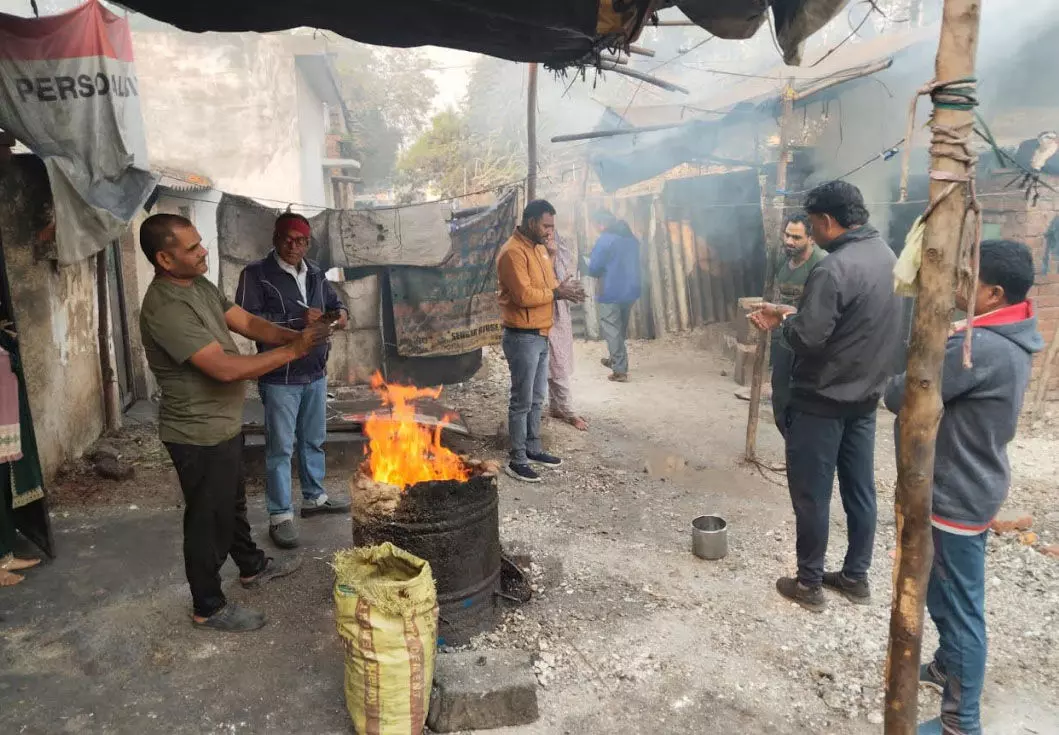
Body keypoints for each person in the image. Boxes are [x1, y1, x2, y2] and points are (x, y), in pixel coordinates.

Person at [138, 213, 329, 632]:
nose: (203, 251)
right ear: (165, 259)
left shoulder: (199, 285)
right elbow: (223, 369)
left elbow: (248, 322)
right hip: (197, 432)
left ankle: (251, 566)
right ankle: (208, 606)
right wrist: (294, 351)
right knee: (209, 519)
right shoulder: (165, 307)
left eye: (199, 242)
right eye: (192, 248)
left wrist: (296, 335)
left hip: (223, 423)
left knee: (233, 504)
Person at [884, 240, 1043, 735]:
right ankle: (947, 665)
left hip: (956, 492)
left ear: (994, 294)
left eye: (968, 280)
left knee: (960, 606)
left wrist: (896, 378)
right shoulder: (1003, 335)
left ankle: (960, 721)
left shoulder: (982, 348)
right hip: (971, 482)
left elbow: (905, 392)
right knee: (941, 588)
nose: (957, 286)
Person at [749, 181, 901, 612]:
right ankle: (855, 576)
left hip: (821, 401)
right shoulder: (888, 257)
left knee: (812, 495)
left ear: (827, 220)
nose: (812, 234)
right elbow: (851, 324)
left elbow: (810, 338)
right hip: (865, 398)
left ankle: (809, 583)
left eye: (813, 225)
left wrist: (782, 324)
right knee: (860, 490)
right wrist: (793, 313)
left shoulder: (833, 268)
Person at [235, 213, 351, 549]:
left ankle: (314, 497)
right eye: (287, 239)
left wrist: (337, 317)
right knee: (280, 448)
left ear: (308, 243)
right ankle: (280, 514)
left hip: (315, 371)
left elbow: (337, 306)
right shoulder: (256, 274)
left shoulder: (314, 272)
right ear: (275, 238)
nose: (293, 246)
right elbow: (248, 321)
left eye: (301, 241)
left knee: (313, 439)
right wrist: (298, 319)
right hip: (280, 375)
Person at [497, 199, 584, 483]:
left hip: (541, 333)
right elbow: (524, 295)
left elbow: (549, 286)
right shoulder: (512, 252)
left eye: (552, 227)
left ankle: (533, 449)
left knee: (536, 399)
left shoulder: (539, 249)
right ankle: (517, 459)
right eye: (546, 226)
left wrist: (564, 288)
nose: (550, 232)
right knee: (521, 401)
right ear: (531, 221)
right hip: (522, 336)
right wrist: (557, 293)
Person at [769, 213, 827, 432]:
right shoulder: (780, 260)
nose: (789, 241)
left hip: (809, 342)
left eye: (796, 237)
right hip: (785, 338)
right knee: (780, 397)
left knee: (805, 400)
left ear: (811, 238)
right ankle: (791, 443)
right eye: (787, 235)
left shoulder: (822, 264)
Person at [588, 209, 641, 382]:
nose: (595, 228)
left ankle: (619, 370)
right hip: (631, 290)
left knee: (612, 329)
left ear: (601, 224)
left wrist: (588, 263)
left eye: (595, 225)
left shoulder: (605, 240)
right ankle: (614, 358)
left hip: (610, 290)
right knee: (620, 328)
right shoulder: (631, 239)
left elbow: (594, 268)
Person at [546, 230, 588, 431]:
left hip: (558, 312)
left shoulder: (557, 253)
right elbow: (545, 283)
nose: (550, 238)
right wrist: (552, 255)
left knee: (556, 358)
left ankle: (556, 406)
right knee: (557, 361)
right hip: (545, 312)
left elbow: (561, 279)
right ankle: (569, 412)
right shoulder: (537, 256)